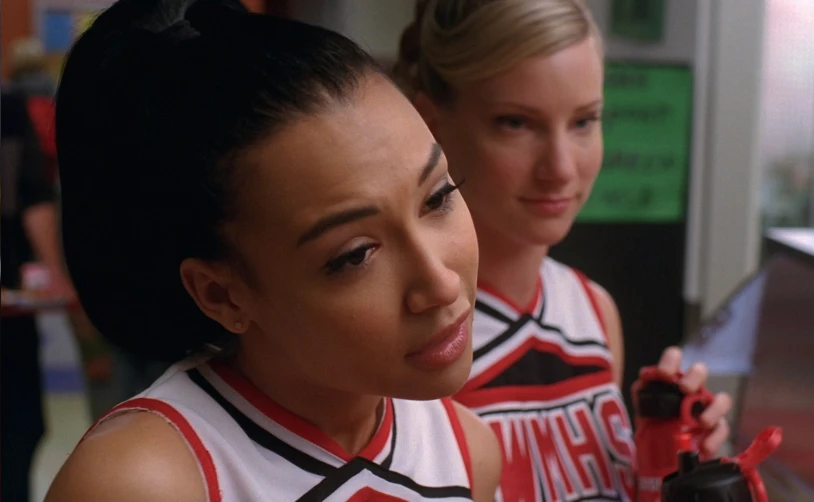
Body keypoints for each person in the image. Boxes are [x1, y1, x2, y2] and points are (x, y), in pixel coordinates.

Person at [45, 0, 502, 500]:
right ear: (222, 295)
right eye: (355, 255)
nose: (440, 283)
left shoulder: (466, 451)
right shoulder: (146, 483)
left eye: (438, 197)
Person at [394, 0, 732, 500]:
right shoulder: (405, 328)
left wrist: (671, 463)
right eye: (516, 123)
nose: (561, 168)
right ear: (432, 122)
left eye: (584, 122)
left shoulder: (593, 309)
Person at [0, 90, 75, 502]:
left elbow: (33, 194)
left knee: (22, 423)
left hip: (11, 302)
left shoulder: (9, 108)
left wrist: (55, 276)